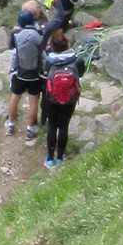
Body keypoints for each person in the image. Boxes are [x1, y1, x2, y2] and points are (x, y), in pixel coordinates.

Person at [41, 30, 83, 170]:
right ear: (66, 44)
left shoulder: (49, 61)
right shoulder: (76, 60)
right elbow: (80, 72)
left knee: (52, 126)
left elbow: (44, 73)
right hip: (70, 99)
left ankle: (50, 159)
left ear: (53, 46)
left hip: (52, 98)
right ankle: (60, 158)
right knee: (64, 126)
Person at [6, 3, 46, 141]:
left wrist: (12, 69)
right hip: (35, 75)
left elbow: (13, 51)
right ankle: (30, 128)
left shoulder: (16, 34)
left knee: (14, 97)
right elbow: (43, 54)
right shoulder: (38, 35)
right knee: (33, 101)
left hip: (19, 73)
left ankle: (11, 124)